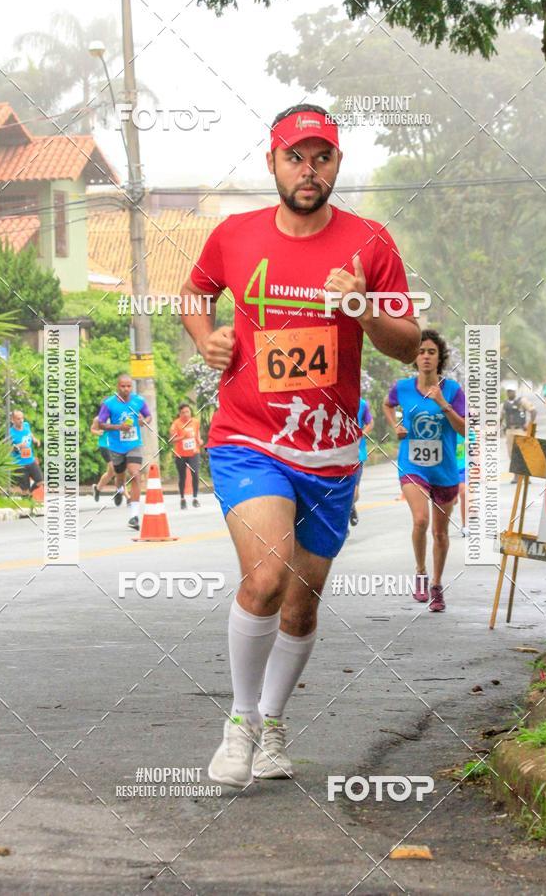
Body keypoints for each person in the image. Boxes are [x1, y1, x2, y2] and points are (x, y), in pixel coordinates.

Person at [178, 103, 420, 787]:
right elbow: (194, 294)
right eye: (295, 157)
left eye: (322, 158)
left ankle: (274, 724)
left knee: (301, 602)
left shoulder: (370, 243)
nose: (308, 170)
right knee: (266, 578)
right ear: (273, 163)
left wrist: (361, 308)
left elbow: (409, 343)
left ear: (337, 163)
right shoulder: (235, 235)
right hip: (248, 437)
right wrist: (205, 337)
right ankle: (240, 724)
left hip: (331, 452)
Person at [383, 330, 466, 612]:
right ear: (415, 358)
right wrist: (396, 425)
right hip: (413, 465)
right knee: (420, 520)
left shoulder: (452, 390)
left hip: (444, 471)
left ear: (439, 357)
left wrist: (443, 404)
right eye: (421, 352)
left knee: (440, 534)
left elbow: (464, 430)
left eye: (431, 352)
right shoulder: (402, 388)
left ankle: (437, 585)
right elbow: (387, 404)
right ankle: (420, 572)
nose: (426, 356)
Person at [97, 374, 151, 530]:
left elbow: (149, 416)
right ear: (117, 386)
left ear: (131, 387)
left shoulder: (139, 401)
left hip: (134, 444)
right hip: (116, 446)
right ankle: (119, 489)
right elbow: (100, 424)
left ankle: (134, 516)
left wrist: (143, 421)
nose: (126, 389)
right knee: (120, 477)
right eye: (123, 386)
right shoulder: (109, 404)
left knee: (135, 474)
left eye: (128, 386)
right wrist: (118, 427)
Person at [169, 403, 203, 508]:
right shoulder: (176, 424)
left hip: (194, 453)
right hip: (180, 454)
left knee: (195, 473)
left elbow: (197, 435)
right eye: (183, 412)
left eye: (187, 411)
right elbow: (171, 440)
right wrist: (182, 437)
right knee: (182, 476)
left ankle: (195, 498)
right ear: (180, 414)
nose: (186, 414)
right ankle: (182, 499)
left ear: (190, 412)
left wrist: (200, 440)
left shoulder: (195, 422)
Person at [90, 415, 129, 505]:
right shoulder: (99, 418)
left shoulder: (119, 416)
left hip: (117, 446)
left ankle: (97, 488)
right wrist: (98, 432)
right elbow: (92, 429)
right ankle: (127, 496)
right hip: (105, 446)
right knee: (117, 470)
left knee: (110, 473)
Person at [501, 386, 536, 483]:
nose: (510, 393)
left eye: (511, 391)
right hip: (509, 431)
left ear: (515, 392)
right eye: (508, 391)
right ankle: (516, 477)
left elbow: (533, 411)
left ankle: (526, 476)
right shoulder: (504, 404)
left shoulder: (522, 401)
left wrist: (529, 425)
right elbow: (500, 418)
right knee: (512, 454)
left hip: (520, 430)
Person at [349, 396, 373, 526]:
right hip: (337, 454)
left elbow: (370, 423)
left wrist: (361, 434)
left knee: (355, 493)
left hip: (357, 453)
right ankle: (343, 523)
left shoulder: (362, 404)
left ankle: (351, 506)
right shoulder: (333, 399)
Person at [9, 410, 43, 495]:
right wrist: (19, 446)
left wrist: (35, 439)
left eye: (22, 418)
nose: (21, 421)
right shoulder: (10, 432)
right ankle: (26, 497)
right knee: (24, 490)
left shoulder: (26, 425)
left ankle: (29, 492)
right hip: (20, 464)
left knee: (40, 481)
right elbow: (7, 449)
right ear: (12, 420)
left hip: (31, 461)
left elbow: (30, 434)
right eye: (18, 419)